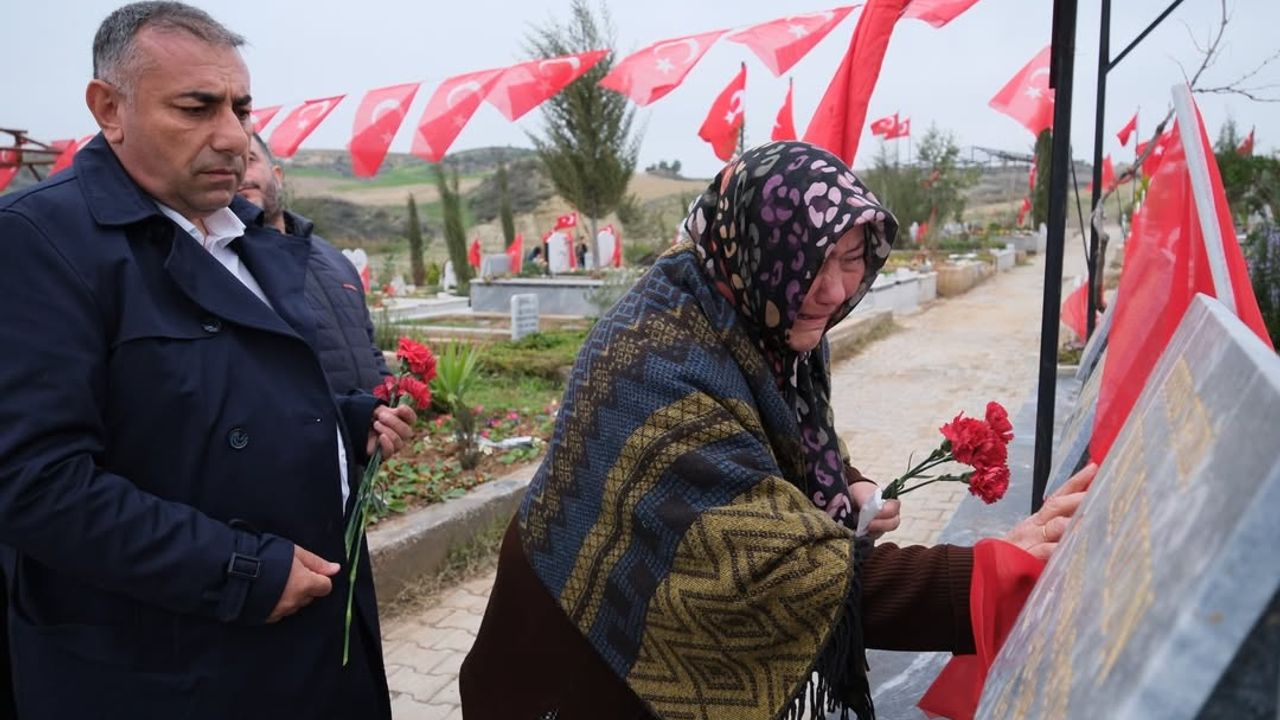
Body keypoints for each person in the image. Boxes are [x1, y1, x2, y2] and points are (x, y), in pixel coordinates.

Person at [459, 141, 1094, 719]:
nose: (835, 290)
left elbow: (777, 434)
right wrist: (983, 574)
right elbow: (781, 574)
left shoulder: (761, 315)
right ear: (759, 251)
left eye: (853, 261)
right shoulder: (654, 364)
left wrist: (846, 482)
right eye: (814, 264)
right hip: (583, 656)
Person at [0, 3, 414, 718]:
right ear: (109, 108)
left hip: (312, 643)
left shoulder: (242, 234)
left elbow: (213, 396)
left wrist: (345, 421)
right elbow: (34, 482)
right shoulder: (43, 241)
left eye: (241, 107)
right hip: (172, 666)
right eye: (197, 108)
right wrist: (239, 571)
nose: (231, 136)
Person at [237, 132, 389, 394]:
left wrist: (389, 402)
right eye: (229, 165)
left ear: (278, 175)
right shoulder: (228, 264)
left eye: (249, 160)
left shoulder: (333, 258)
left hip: (369, 429)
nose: (240, 175)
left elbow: (368, 346)